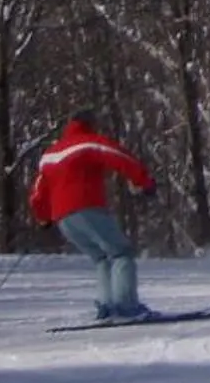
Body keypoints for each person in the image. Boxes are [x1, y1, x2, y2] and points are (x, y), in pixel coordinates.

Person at [28, 111, 159, 320]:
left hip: (63, 218)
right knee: (121, 252)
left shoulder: (50, 154)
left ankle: (107, 307)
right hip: (86, 207)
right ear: (89, 124)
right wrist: (144, 181)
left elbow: (38, 192)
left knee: (101, 257)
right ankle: (126, 307)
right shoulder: (88, 142)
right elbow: (119, 156)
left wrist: (43, 217)